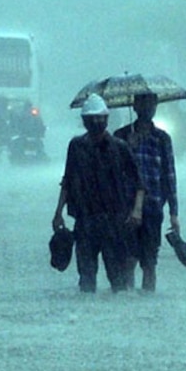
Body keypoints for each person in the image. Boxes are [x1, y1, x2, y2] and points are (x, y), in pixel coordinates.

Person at [52, 94, 145, 294]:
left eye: (100, 118)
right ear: (84, 121)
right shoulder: (76, 146)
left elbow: (139, 182)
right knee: (86, 277)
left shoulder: (119, 147)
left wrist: (137, 210)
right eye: (91, 119)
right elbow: (67, 179)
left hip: (114, 220)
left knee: (117, 277)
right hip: (85, 220)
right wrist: (58, 211)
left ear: (106, 119)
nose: (96, 122)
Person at [113, 92, 181, 293]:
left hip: (153, 207)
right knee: (128, 258)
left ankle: (148, 297)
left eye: (152, 105)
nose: (148, 109)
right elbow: (113, 171)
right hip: (126, 206)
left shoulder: (162, 139)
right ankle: (128, 297)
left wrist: (174, 213)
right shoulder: (120, 136)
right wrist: (128, 148)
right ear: (134, 107)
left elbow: (169, 175)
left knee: (150, 260)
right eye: (143, 105)